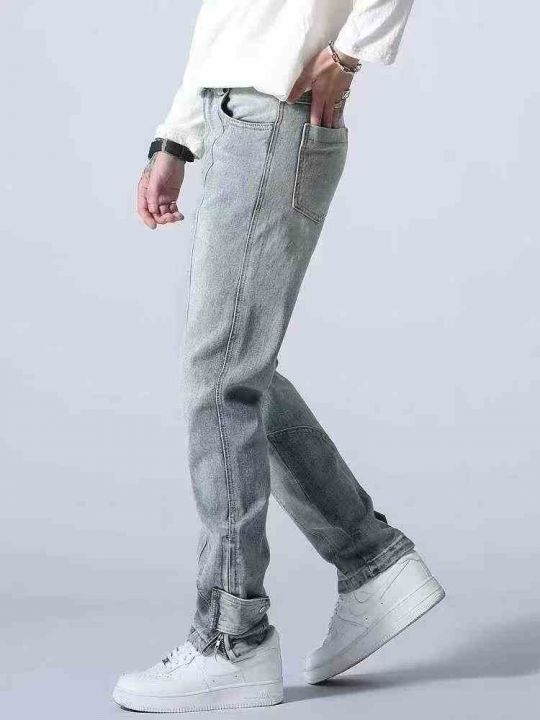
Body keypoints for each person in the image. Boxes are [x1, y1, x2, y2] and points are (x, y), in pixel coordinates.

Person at [113, 0, 445, 713]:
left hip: (273, 115)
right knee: (234, 370)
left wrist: (347, 57)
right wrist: (176, 138)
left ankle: (233, 638)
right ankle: (370, 562)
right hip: (237, 116)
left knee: (222, 377)